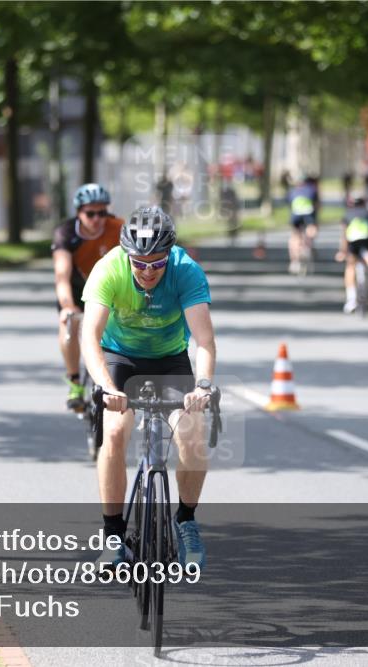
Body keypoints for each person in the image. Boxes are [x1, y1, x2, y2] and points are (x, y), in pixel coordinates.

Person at [81, 206, 216, 570]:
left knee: (191, 432)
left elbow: (203, 340)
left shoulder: (186, 271)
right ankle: (113, 535)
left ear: (169, 255)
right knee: (115, 429)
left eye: (157, 264)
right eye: (140, 264)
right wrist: (106, 386)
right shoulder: (109, 268)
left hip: (169, 359)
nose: (148, 271)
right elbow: (89, 337)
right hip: (119, 358)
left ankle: (186, 520)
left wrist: (202, 387)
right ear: (127, 256)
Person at [51, 184, 125, 411]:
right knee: (70, 324)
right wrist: (67, 307)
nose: (96, 219)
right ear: (79, 213)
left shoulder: (118, 227)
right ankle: (74, 381)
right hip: (76, 290)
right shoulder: (67, 233)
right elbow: (62, 275)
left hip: (109, 290)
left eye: (102, 212)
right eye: (90, 213)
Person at [335, 196, 368, 313]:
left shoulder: (347, 215)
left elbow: (344, 235)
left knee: (350, 266)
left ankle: (351, 299)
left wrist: (342, 251)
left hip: (353, 243)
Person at [287, 175, 320, 274]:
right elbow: (317, 205)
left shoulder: (292, 191)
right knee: (311, 230)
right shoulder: (312, 189)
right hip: (308, 214)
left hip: (295, 215)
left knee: (295, 235)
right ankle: (307, 246)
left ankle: (294, 261)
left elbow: (290, 205)